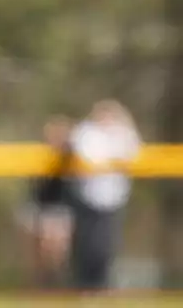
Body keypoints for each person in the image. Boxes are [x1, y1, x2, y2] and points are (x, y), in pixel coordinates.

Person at [68, 99, 141, 292]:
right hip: (88, 198)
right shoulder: (86, 132)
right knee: (87, 245)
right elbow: (87, 158)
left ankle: (102, 286)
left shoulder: (124, 132)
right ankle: (84, 286)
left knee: (107, 246)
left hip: (114, 199)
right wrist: (113, 161)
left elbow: (133, 155)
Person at [17, 115, 74, 288]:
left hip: (57, 209)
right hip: (37, 207)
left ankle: (56, 286)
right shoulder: (38, 155)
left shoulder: (70, 156)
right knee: (35, 255)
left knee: (56, 253)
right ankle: (37, 286)